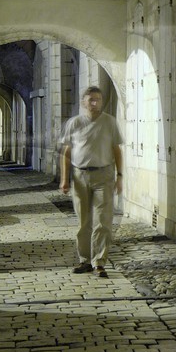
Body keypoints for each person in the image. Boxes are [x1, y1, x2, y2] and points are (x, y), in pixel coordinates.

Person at [58, 86, 124, 277]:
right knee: (83, 222)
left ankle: (100, 262)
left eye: (98, 99)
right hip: (80, 176)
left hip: (104, 175)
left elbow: (117, 150)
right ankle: (85, 260)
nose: (95, 103)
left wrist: (120, 176)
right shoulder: (74, 123)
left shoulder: (110, 122)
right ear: (83, 102)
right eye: (91, 99)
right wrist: (64, 179)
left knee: (103, 221)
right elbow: (66, 152)